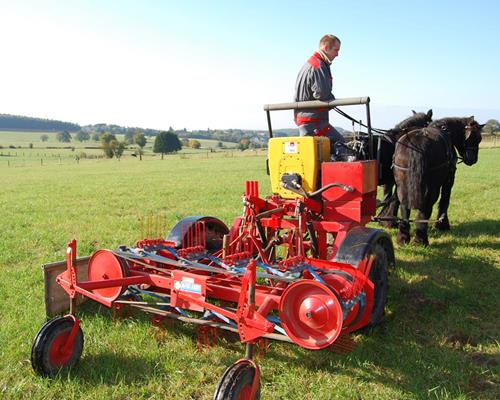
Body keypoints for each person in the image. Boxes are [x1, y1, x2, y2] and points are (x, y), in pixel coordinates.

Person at [294, 34, 345, 155]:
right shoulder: (318, 66)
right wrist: (333, 100)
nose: (337, 54)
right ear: (326, 48)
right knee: (341, 144)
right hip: (313, 122)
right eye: (336, 50)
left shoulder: (310, 64)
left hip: (307, 119)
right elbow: (323, 94)